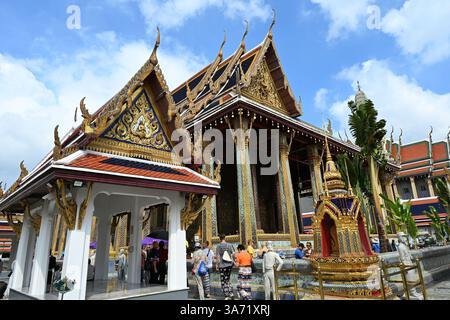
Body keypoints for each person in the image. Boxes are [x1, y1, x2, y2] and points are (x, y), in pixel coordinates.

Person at [397, 232, 423, 300]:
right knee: (409, 279)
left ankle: (413, 292)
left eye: (405, 237)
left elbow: (409, 255)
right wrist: (405, 267)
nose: (404, 238)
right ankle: (412, 292)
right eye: (403, 236)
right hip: (406, 264)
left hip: (410, 262)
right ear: (399, 237)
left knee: (412, 278)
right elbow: (402, 258)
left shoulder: (405, 245)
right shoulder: (400, 247)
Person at [215, 234, 235, 300]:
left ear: (219, 239)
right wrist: (233, 261)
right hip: (229, 265)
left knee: (223, 280)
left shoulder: (218, 246)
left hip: (222, 265)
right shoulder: (229, 245)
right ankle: (231, 293)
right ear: (225, 238)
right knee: (228, 279)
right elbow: (233, 254)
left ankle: (226, 295)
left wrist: (217, 265)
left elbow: (218, 257)